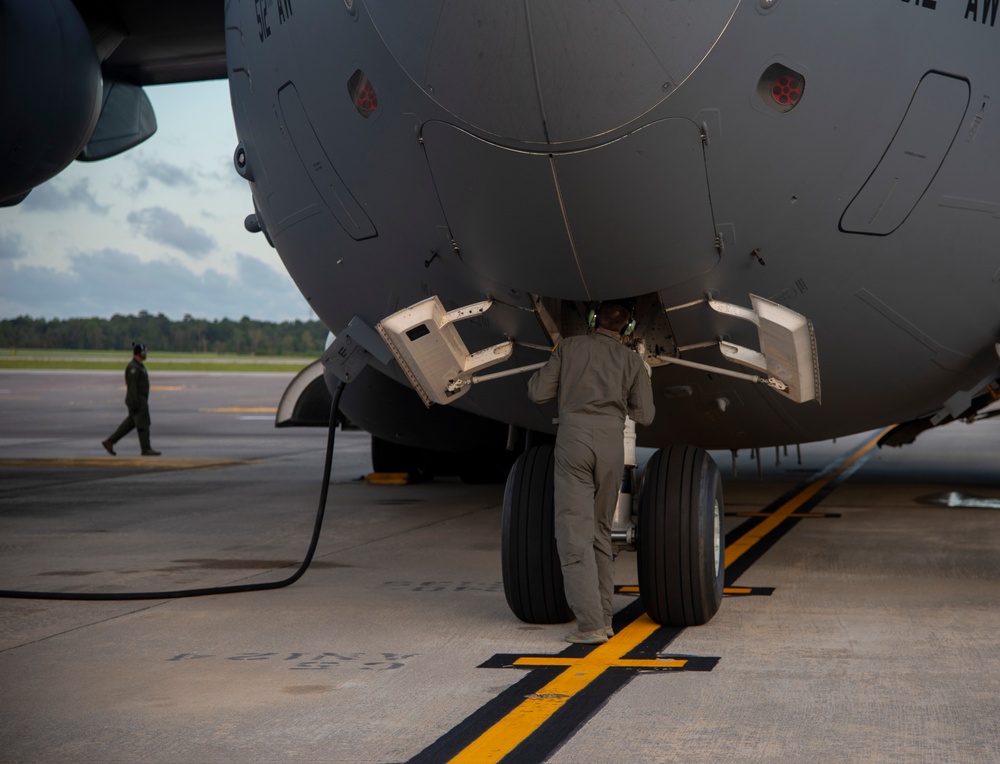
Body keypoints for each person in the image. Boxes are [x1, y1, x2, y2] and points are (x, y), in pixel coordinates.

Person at [527, 302, 655, 644]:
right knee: (601, 531)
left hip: (575, 442)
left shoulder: (568, 348)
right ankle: (604, 618)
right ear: (627, 330)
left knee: (573, 532)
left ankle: (591, 625)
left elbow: (538, 393)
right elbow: (645, 415)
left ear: (593, 320)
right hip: (611, 445)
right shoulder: (632, 361)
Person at [102, 342, 161, 456]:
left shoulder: (138, 366)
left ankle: (110, 441)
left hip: (140, 399)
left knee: (131, 423)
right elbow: (132, 386)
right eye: (144, 352)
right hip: (137, 399)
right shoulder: (133, 367)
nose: (146, 354)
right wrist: (135, 402)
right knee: (143, 423)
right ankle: (146, 448)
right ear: (140, 353)